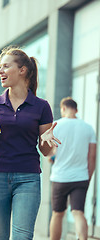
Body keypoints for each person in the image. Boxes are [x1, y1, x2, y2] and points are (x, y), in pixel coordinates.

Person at [0, 45, 61, 239]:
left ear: (22, 70)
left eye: (6, 66)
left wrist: (46, 141)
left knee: (23, 236)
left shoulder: (41, 106)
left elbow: (45, 151)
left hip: (28, 179)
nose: (0, 71)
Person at [49, 97, 97, 240]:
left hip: (60, 177)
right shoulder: (88, 128)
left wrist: (52, 159)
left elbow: (50, 154)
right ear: (76, 110)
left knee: (57, 213)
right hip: (81, 177)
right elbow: (92, 156)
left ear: (63, 109)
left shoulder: (55, 126)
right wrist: (88, 176)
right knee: (78, 212)